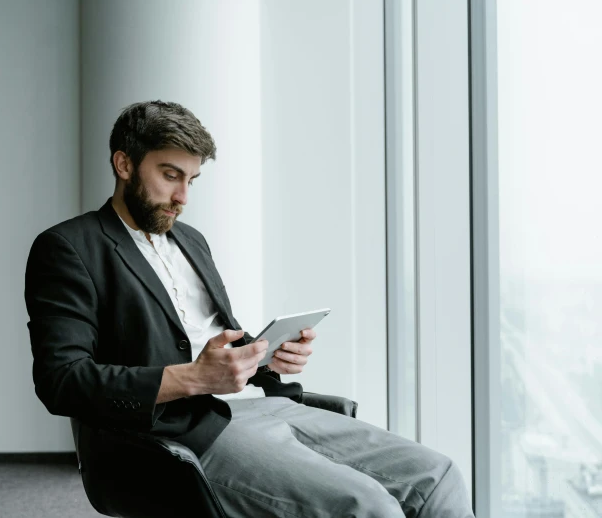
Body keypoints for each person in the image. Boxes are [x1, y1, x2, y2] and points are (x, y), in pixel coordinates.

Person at [24, 100, 474, 517]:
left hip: (264, 403)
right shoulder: (69, 248)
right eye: (170, 175)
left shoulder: (191, 241)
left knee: (439, 477)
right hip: (186, 429)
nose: (183, 196)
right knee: (368, 505)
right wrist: (194, 378)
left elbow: (211, 337)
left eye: (191, 180)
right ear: (124, 164)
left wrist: (264, 354)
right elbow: (61, 380)